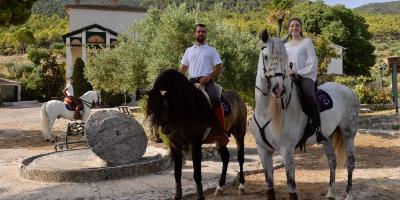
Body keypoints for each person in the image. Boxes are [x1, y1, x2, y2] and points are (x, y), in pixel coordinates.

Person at [179, 23, 228, 145]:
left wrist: (208, 77)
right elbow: (183, 69)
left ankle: (222, 132)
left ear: (206, 34)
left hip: (207, 82)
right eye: (199, 31)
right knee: (178, 100)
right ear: (195, 33)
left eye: (203, 32)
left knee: (215, 99)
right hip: (191, 82)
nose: (201, 33)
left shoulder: (211, 50)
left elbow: (219, 68)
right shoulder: (188, 51)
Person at [284, 17, 328, 144]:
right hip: (289, 76)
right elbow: (282, 61)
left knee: (309, 96)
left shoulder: (307, 42)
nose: (294, 28)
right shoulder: (285, 45)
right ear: (289, 29)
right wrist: (287, 70)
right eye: (292, 26)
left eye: (297, 25)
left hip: (305, 76)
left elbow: (313, 62)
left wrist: (298, 72)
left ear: (301, 28)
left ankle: (318, 130)